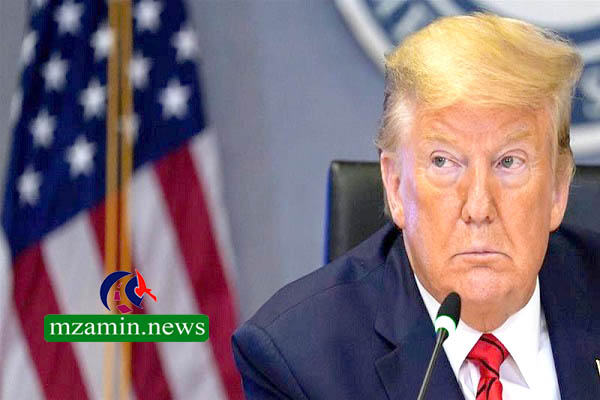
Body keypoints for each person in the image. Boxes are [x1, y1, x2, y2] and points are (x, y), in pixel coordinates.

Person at [232, 13, 600, 400]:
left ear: (558, 189)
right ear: (395, 186)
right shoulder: (300, 362)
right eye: (443, 162)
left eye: (509, 162)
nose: (478, 207)